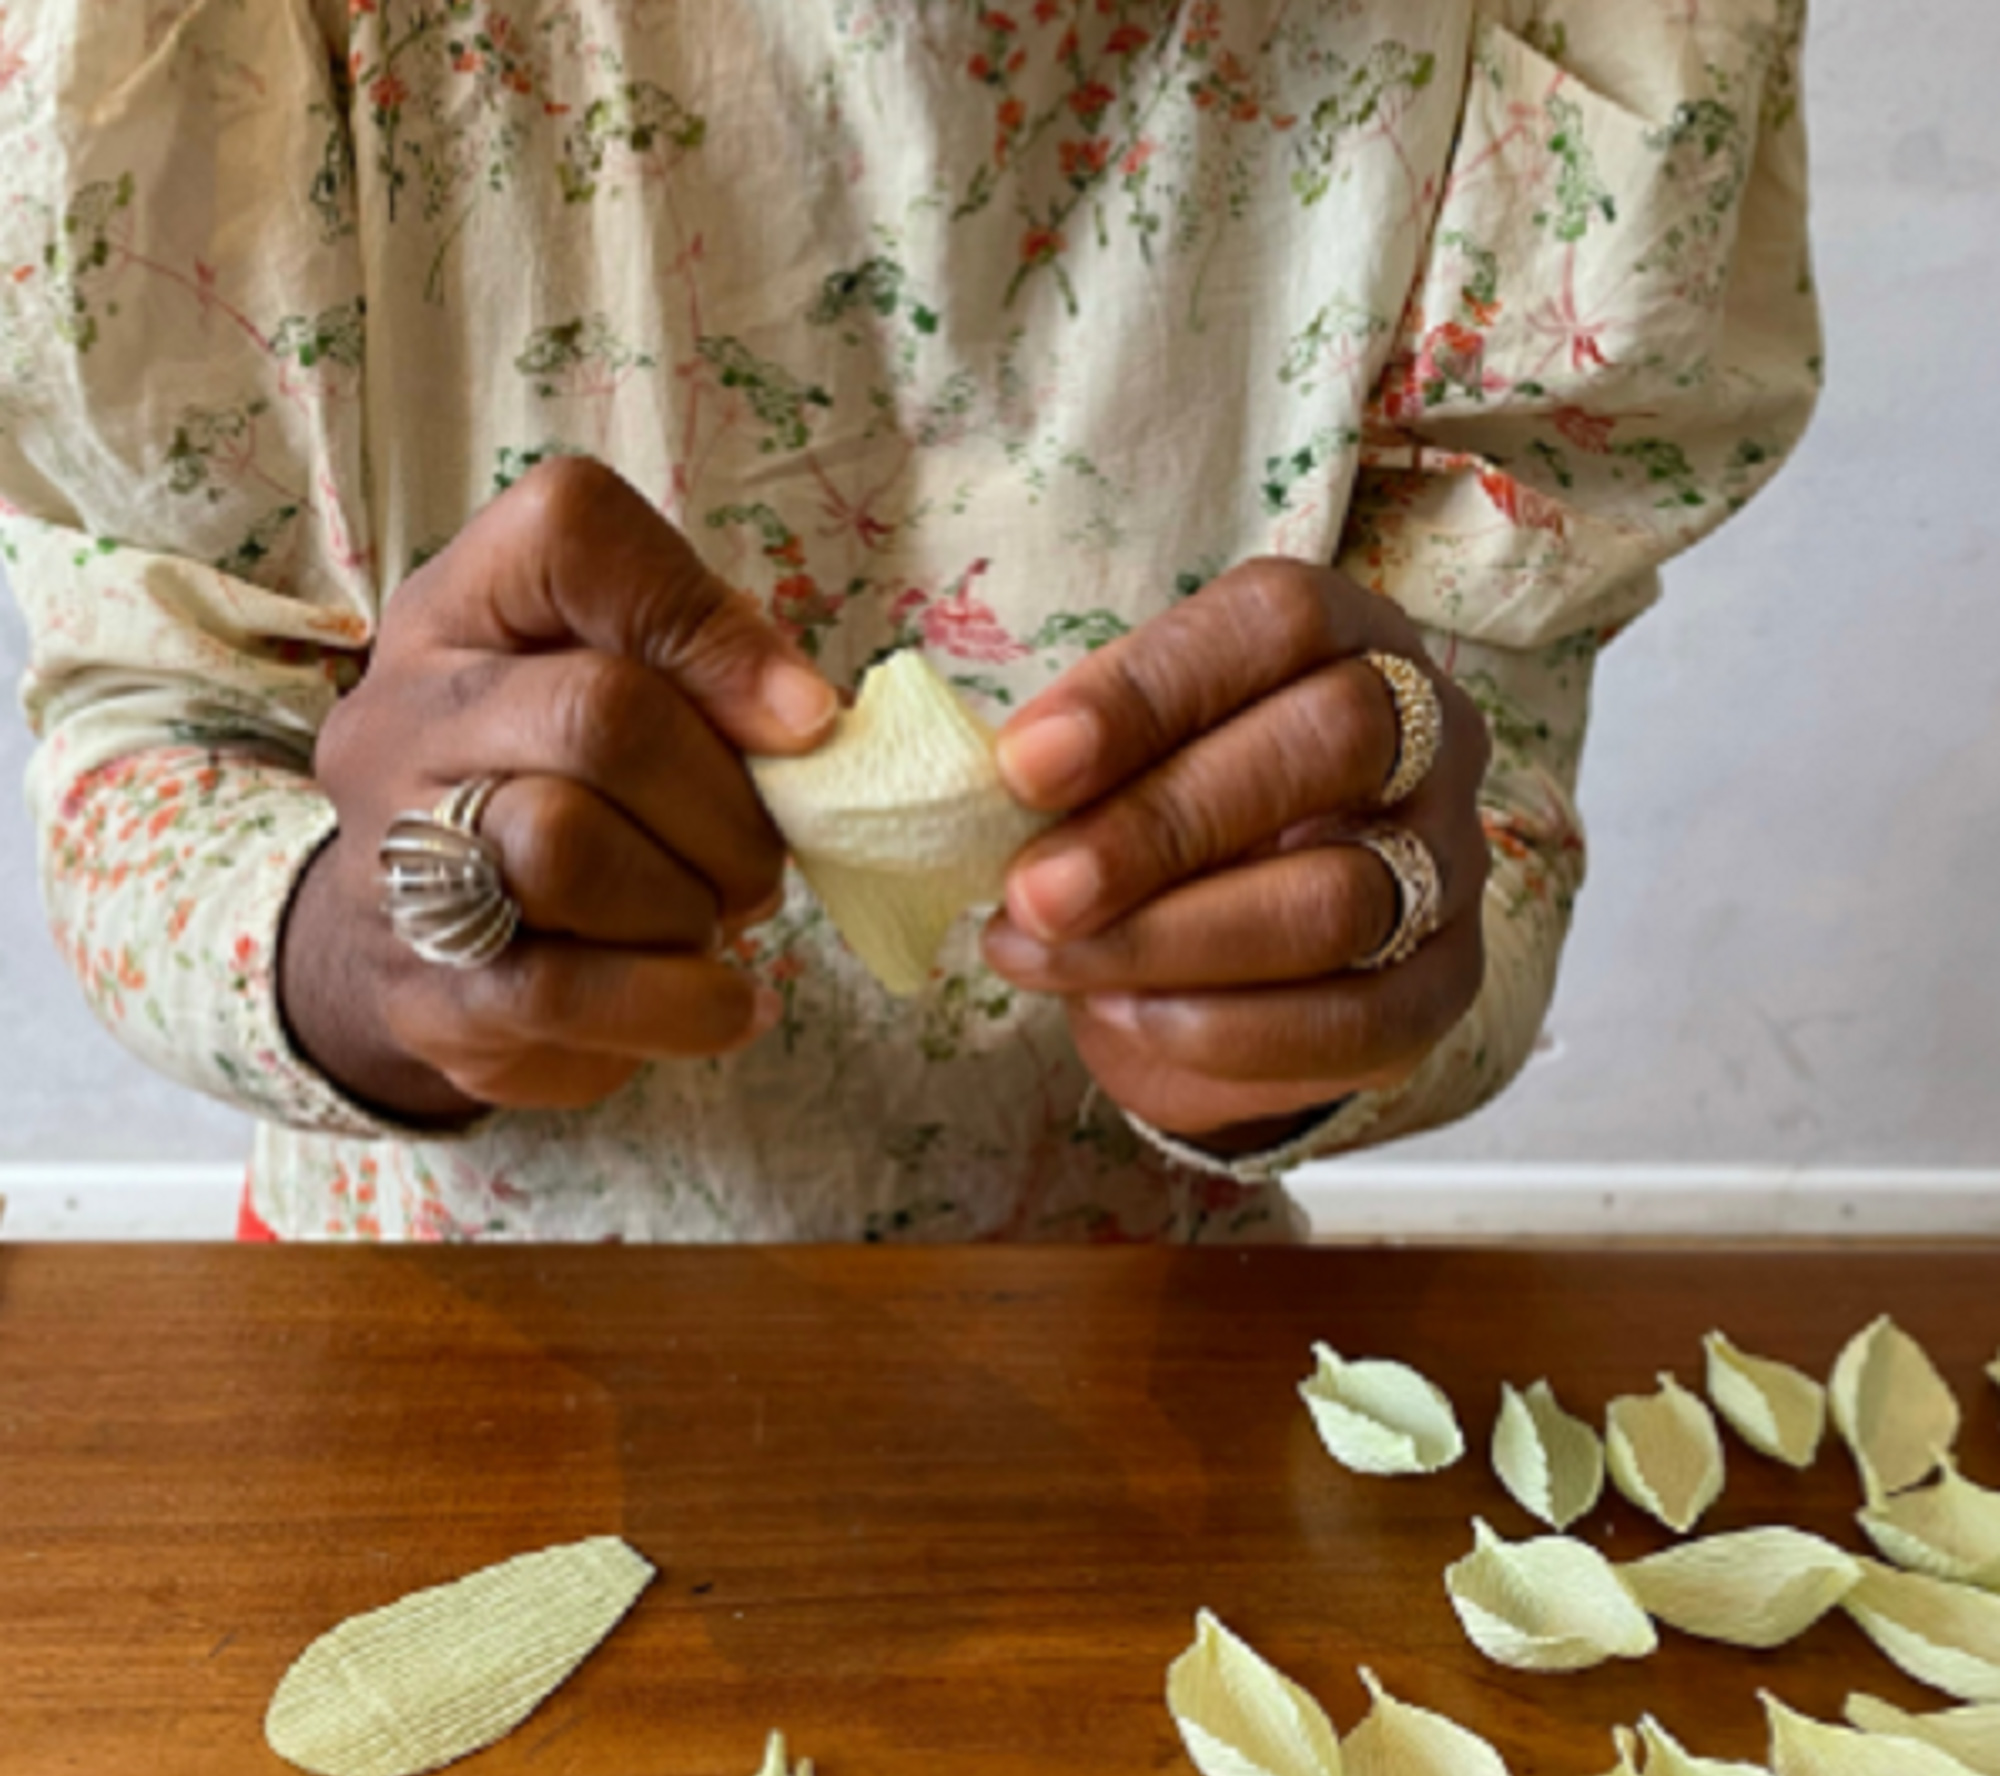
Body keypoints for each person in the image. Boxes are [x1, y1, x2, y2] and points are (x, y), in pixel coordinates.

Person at [2, 2, 1818, 1243]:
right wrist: (359, 948)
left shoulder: (1558, 45)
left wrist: (1346, 969)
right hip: (427, 1353)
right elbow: (153, 708)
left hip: (1140, 1385)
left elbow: (1482, 775)